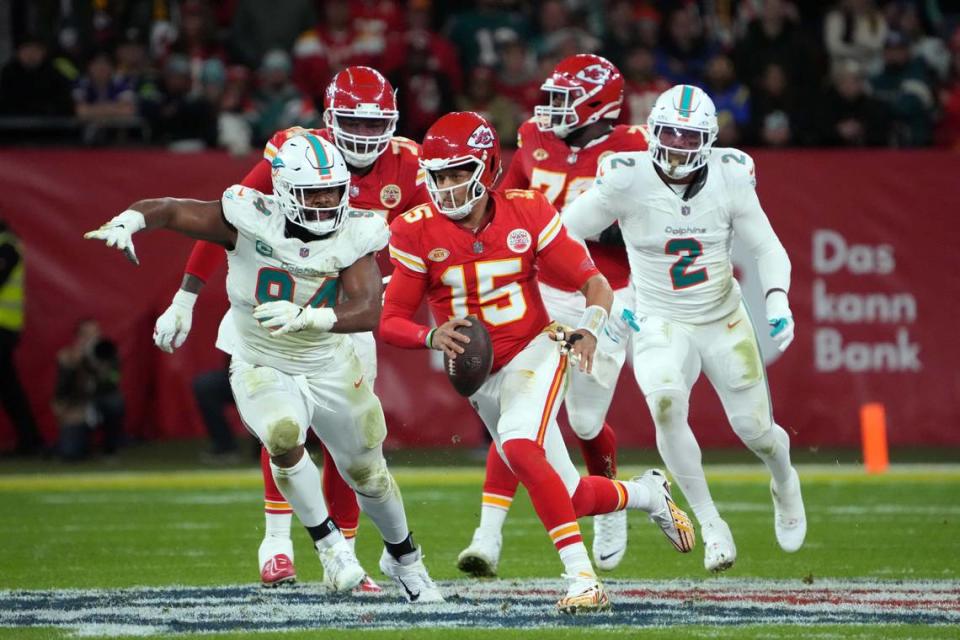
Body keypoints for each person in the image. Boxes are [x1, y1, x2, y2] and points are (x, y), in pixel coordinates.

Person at [85, 133, 443, 604]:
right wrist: (132, 220)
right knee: (281, 434)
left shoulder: (357, 230)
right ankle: (330, 546)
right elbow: (171, 209)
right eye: (313, 192)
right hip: (261, 360)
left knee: (369, 474)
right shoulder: (247, 216)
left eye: (333, 191)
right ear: (285, 191)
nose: (325, 202)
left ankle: (406, 560)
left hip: (329, 363)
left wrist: (310, 317)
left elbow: (369, 307)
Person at [380, 111, 694, 613]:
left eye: (460, 172)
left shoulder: (527, 212)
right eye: (439, 175)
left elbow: (594, 282)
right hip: (481, 376)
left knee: (522, 447)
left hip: (536, 349)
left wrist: (589, 328)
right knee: (569, 497)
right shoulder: (415, 230)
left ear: (486, 167)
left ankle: (583, 580)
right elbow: (391, 318)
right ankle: (649, 494)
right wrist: (430, 335)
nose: (448, 185)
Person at [151, 66, 428, 589]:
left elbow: (433, 234)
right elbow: (226, 223)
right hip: (278, 314)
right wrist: (185, 296)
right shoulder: (293, 153)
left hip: (343, 317)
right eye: (354, 123)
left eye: (377, 126)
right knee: (283, 421)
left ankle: (344, 551)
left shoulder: (409, 164)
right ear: (329, 117)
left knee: (353, 444)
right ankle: (277, 539)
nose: (367, 138)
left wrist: (401, 285)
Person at [561, 84, 807, 573]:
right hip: (657, 317)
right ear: (652, 130)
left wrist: (777, 297)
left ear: (709, 140)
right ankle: (710, 522)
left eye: (687, 135)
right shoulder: (626, 178)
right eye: (668, 131)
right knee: (666, 406)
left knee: (756, 431)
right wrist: (608, 293)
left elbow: (768, 248)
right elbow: (563, 232)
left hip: (722, 318)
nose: (675, 143)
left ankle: (784, 478)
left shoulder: (730, 177)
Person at [460, 54, 648, 577]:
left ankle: (613, 501)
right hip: (537, 289)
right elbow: (504, 203)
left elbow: (653, 220)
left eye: (564, 100)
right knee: (516, 413)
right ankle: (487, 534)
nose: (549, 110)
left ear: (597, 106)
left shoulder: (634, 147)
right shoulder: (532, 138)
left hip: (604, 291)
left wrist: (603, 226)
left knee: (585, 420)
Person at [0, 219, 45, 455]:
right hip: (6, 327)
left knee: (10, 388)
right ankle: (30, 440)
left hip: (3, 327)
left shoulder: (7, 248)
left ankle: (31, 439)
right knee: (9, 388)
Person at [52, 319, 123, 460]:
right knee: (70, 454)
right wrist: (72, 366)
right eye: (86, 334)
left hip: (101, 401)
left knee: (114, 403)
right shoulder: (68, 356)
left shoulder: (107, 353)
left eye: (95, 333)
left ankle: (110, 448)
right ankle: (82, 445)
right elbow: (62, 390)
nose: (91, 338)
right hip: (78, 406)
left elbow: (113, 382)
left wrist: (98, 366)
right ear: (78, 337)